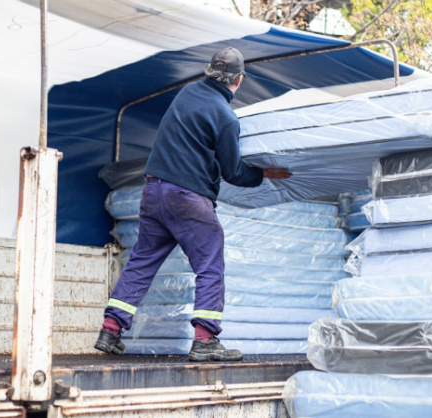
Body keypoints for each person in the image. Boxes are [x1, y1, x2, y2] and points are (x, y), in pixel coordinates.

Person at [95, 47, 291, 361]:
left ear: (209, 71)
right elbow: (233, 173)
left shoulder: (186, 93)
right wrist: (264, 173)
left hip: (153, 192)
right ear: (239, 80)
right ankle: (205, 340)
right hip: (187, 199)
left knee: (141, 264)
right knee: (210, 266)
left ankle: (110, 330)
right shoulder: (226, 117)